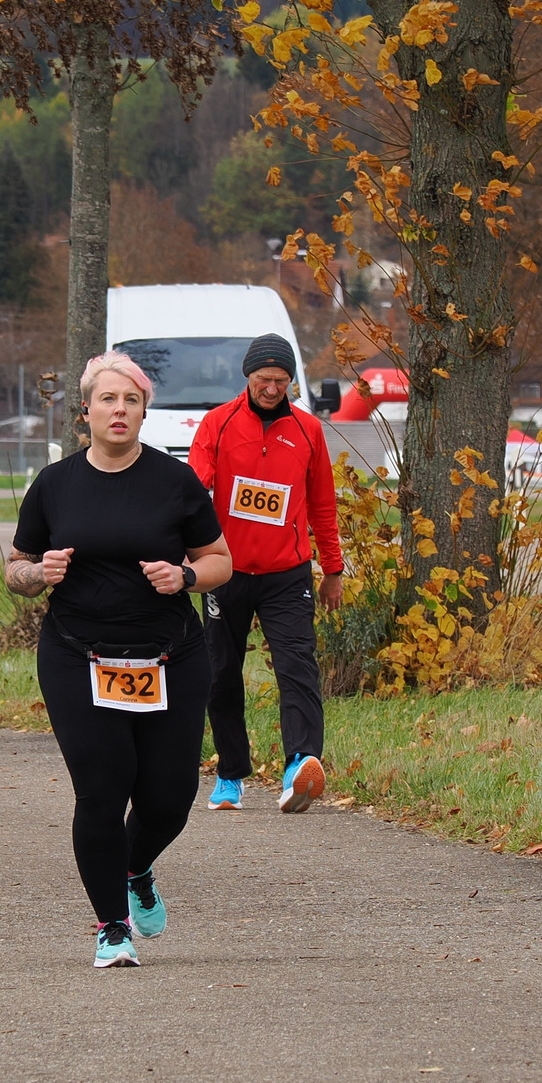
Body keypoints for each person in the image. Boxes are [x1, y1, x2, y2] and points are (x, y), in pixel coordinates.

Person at [8, 352, 234, 966]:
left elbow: (221, 560)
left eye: (131, 400)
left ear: (143, 412)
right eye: (108, 399)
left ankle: (135, 868)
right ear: (85, 411)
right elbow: (15, 570)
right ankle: (112, 927)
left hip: (170, 655)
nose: (119, 410)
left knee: (170, 796)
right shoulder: (54, 485)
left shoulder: (175, 481)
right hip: (78, 655)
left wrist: (186, 576)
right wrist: (38, 572)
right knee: (102, 791)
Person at [186, 332, 344, 813]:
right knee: (221, 673)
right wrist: (184, 556)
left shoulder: (308, 430)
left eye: (281, 380)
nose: (272, 389)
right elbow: (192, 493)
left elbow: (322, 504)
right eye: (263, 379)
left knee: (298, 667)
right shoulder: (217, 423)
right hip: (225, 572)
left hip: (287, 574)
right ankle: (230, 775)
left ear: (291, 381)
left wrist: (332, 569)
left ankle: (300, 764)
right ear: (248, 377)